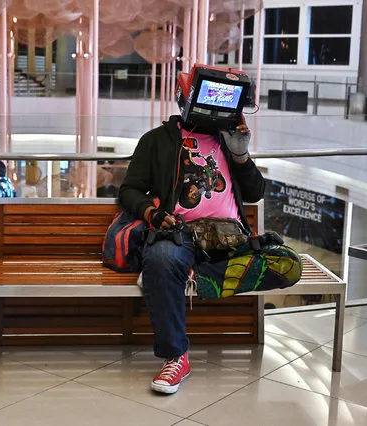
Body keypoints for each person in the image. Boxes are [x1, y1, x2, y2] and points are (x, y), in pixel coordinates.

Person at [119, 79, 265, 395]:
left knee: (287, 263)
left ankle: (177, 277)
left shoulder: (228, 141)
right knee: (161, 257)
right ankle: (176, 355)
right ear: (184, 100)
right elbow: (129, 190)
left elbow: (255, 192)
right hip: (180, 233)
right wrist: (151, 213)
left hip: (231, 237)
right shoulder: (157, 141)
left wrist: (241, 156)